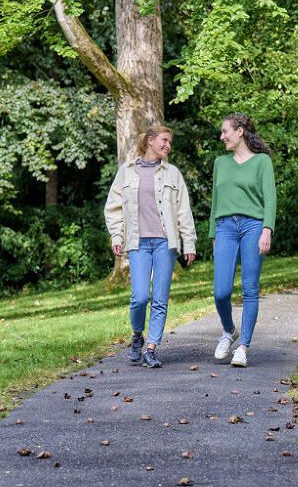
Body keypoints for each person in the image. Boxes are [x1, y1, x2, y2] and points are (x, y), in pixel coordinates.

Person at [104, 125, 196, 368]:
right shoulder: (127, 172)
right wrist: (116, 236)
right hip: (137, 243)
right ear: (150, 141)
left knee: (160, 298)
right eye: (165, 140)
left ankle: (152, 348)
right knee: (139, 297)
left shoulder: (173, 174)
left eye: (170, 142)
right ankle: (137, 335)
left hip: (166, 243)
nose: (168, 145)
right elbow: (113, 207)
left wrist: (189, 243)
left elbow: (183, 211)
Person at [209, 113, 277, 368]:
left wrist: (267, 229)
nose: (222, 136)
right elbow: (215, 202)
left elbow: (270, 197)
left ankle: (244, 347)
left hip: (253, 225)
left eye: (225, 131)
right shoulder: (220, 163)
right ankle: (229, 331)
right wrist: (213, 234)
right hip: (225, 227)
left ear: (239, 132)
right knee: (221, 291)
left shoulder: (262, 162)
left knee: (250, 288)